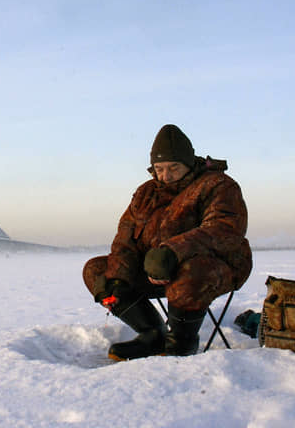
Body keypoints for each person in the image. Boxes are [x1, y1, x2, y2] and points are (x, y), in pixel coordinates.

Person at [83, 124, 252, 361]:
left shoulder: (218, 185)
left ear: (189, 162)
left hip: (214, 270)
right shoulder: (144, 194)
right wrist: (119, 280)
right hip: (155, 272)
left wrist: (172, 252)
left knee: (190, 271)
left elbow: (224, 229)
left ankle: (181, 342)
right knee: (98, 271)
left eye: (174, 167)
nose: (166, 175)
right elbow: (125, 241)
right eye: (160, 168)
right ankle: (153, 335)